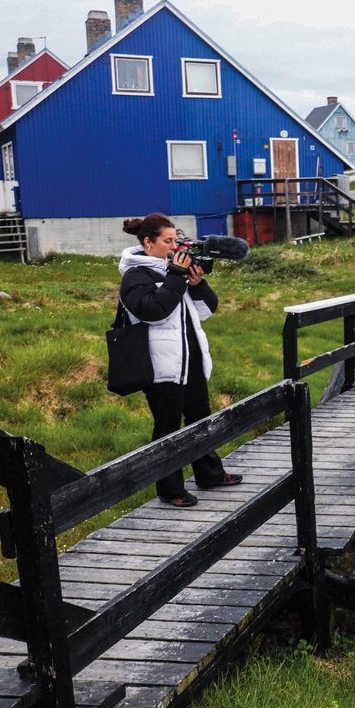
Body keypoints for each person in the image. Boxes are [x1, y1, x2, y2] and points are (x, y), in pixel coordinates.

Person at [119, 214, 242, 507]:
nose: (175, 247)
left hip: (190, 362)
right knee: (168, 428)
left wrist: (198, 285)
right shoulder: (135, 276)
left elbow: (204, 312)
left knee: (200, 420)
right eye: (168, 241)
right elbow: (153, 311)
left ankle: (209, 474)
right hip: (161, 368)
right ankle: (170, 489)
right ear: (148, 243)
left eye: (176, 240)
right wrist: (176, 276)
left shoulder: (170, 270)